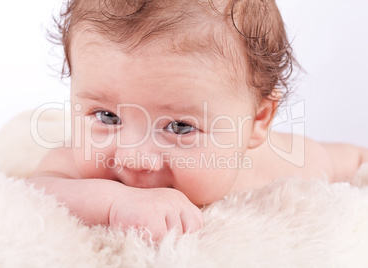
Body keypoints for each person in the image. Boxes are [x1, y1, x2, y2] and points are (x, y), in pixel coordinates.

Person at [28, 0, 368, 240]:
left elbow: (354, 158)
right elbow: (35, 191)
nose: (133, 157)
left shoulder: (288, 165)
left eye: (179, 127)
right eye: (108, 116)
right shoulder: (78, 165)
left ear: (258, 120)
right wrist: (115, 203)